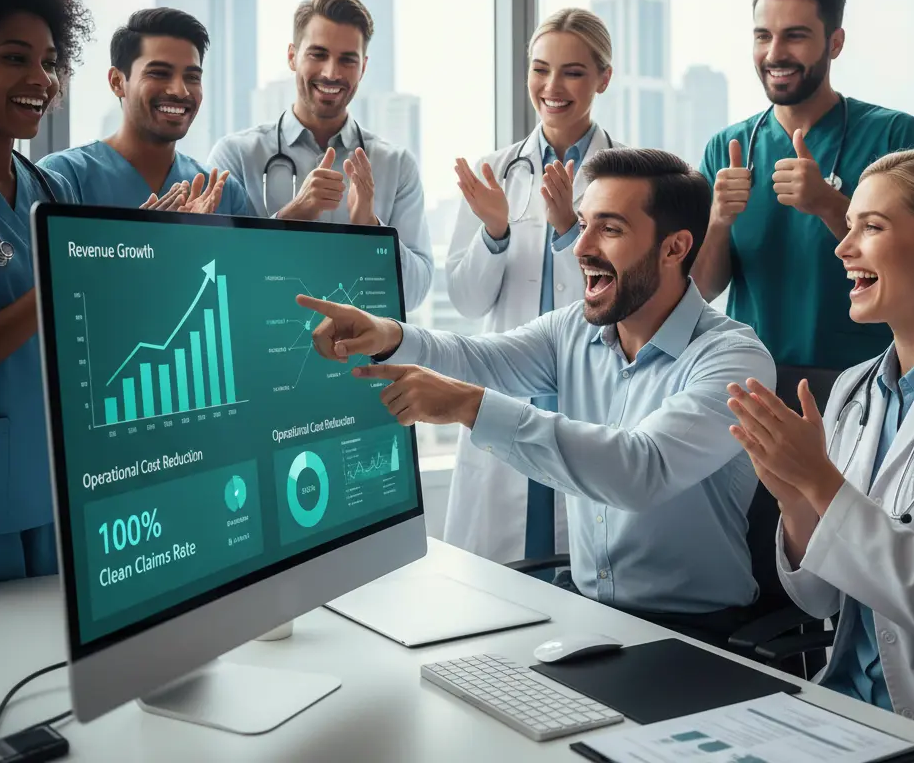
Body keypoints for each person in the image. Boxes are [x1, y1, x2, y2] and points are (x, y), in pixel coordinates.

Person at [299, 149, 777, 646]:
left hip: (695, 638)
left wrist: (469, 406)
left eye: (608, 229)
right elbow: (477, 357)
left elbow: (642, 471)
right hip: (588, 617)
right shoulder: (572, 329)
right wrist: (388, 334)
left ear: (675, 248)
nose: (580, 247)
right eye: (582, 223)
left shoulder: (733, 359)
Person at [726, 149, 914, 750]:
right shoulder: (854, 389)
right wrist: (796, 501)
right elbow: (818, 598)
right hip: (846, 710)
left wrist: (822, 485)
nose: (843, 245)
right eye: (850, 222)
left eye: (872, 226)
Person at [694, 0, 914, 386]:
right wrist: (718, 221)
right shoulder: (725, 148)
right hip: (752, 382)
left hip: (871, 382)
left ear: (835, 42)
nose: (774, 53)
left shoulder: (894, 134)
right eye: (763, 36)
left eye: (795, 36)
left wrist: (827, 203)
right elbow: (702, 289)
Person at [444, 7, 616, 567]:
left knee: (584, 579)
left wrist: (569, 227)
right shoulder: (495, 172)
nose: (552, 87)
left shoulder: (629, 180)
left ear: (602, 78)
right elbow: (468, 301)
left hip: (591, 398)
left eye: (572, 72)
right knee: (502, 584)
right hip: (511, 394)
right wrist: (495, 228)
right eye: (540, 70)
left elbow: (628, 297)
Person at [207, 0, 433, 312]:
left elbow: (415, 294)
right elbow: (217, 278)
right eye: (318, 54)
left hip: (362, 360)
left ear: (363, 67)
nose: (331, 73)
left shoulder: (396, 165)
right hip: (264, 356)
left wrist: (370, 227)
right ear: (292, 56)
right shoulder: (236, 157)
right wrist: (290, 218)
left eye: (347, 59)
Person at [0, 0, 92, 580]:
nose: (41, 79)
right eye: (14, 59)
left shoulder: (47, 190)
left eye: (51, 63)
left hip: (53, 486)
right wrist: (61, 281)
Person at [39, 8, 248, 214]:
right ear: (117, 82)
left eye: (192, 77)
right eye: (159, 73)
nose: (180, 91)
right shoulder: (61, 176)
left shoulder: (225, 194)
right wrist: (142, 239)